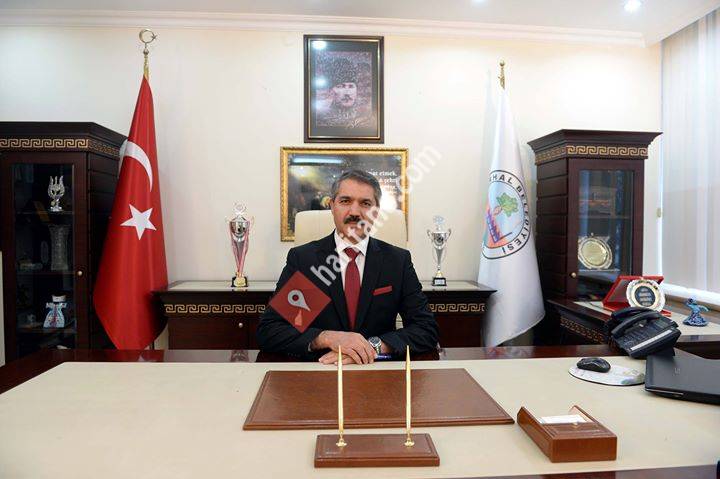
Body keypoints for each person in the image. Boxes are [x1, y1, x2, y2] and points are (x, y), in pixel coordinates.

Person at [257, 170, 438, 364]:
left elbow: (425, 328)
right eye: (345, 201)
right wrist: (325, 338)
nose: (355, 212)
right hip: (321, 370)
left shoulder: (396, 261)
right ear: (331, 206)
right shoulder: (308, 261)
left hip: (376, 370)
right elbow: (270, 331)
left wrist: (372, 347)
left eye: (365, 203)